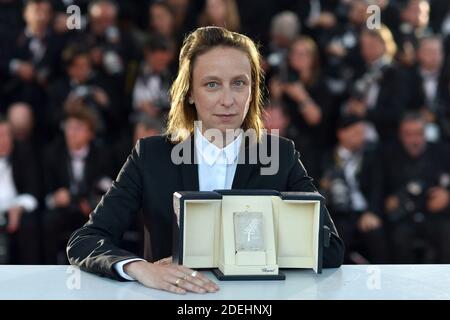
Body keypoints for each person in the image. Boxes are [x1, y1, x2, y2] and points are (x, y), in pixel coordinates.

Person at [67, 26, 344, 295]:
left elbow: (330, 248)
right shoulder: (150, 156)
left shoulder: (280, 154)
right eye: (212, 84)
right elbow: (86, 240)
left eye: (239, 83)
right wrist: (141, 268)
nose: (228, 100)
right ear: (189, 92)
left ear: (252, 90)